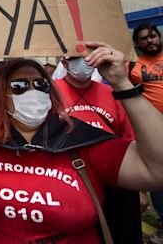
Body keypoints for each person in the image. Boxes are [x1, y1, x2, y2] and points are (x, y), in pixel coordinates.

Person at [0, 41, 163, 243]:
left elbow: (156, 169)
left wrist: (123, 84)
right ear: (2, 95)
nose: (33, 91)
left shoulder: (81, 141)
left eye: (41, 84)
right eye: (20, 86)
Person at [55, 56, 141, 244]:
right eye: (75, 58)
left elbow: (128, 138)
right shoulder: (51, 92)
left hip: (113, 179)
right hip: (69, 179)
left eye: (87, 57)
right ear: (64, 62)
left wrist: (139, 188)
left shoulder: (110, 92)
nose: (83, 63)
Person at [129, 23, 163, 244]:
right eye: (144, 38)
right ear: (137, 43)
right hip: (155, 131)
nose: (150, 40)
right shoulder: (132, 69)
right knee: (159, 180)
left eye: (153, 36)